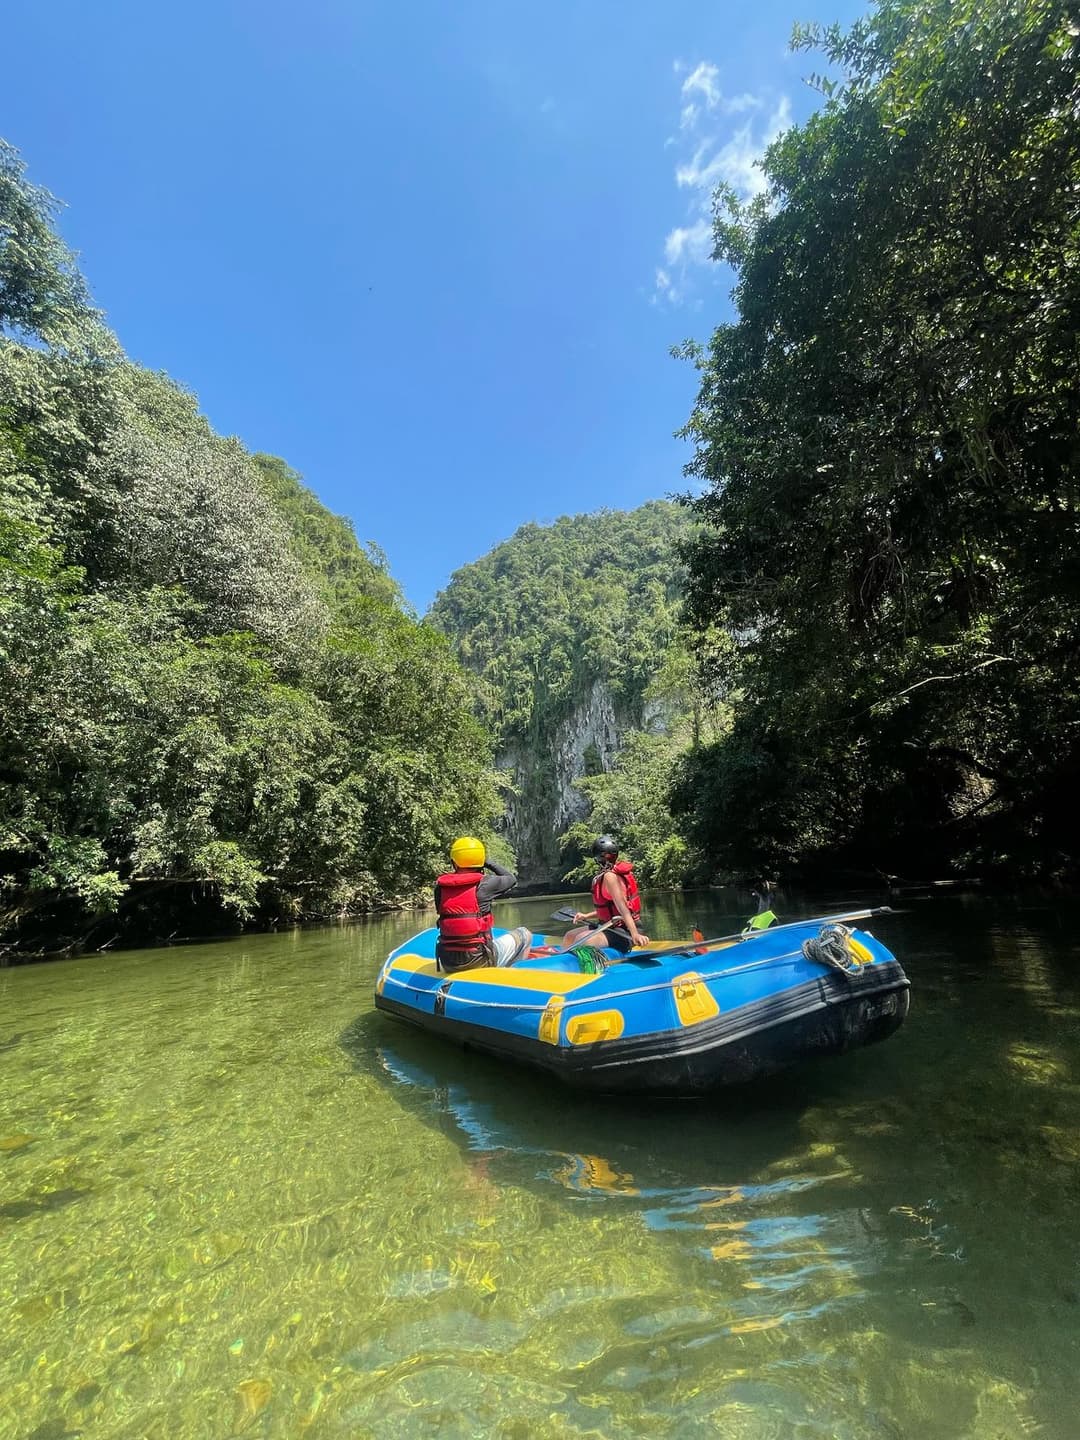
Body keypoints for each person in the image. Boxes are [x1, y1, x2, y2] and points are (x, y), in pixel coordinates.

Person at [434, 836, 532, 973]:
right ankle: (513, 978)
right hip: (480, 961)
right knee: (524, 933)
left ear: (453, 862)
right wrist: (486, 862)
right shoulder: (485, 884)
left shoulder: (440, 887)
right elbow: (511, 879)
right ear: (481, 862)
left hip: (448, 962)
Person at [564, 836, 649, 956]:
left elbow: (623, 908)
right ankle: (564, 964)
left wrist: (634, 934)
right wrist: (586, 915)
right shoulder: (608, 874)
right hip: (608, 926)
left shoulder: (610, 877)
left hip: (625, 931)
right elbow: (610, 909)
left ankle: (587, 969)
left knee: (581, 939)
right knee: (570, 936)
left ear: (596, 857)